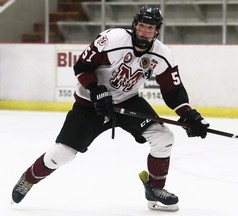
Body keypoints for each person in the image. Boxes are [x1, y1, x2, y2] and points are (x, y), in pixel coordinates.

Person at [11, 5, 209, 212]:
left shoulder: (163, 54)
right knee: (63, 154)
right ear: (134, 25)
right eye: (142, 27)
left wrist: (189, 115)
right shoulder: (112, 40)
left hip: (127, 101)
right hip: (90, 104)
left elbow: (173, 90)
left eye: (150, 29)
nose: (145, 32)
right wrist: (96, 90)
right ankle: (29, 178)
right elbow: (82, 66)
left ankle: (155, 190)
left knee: (163, 137)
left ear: (157, 31)